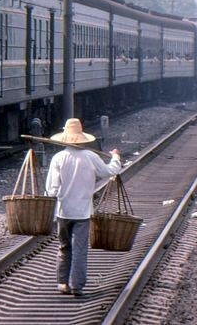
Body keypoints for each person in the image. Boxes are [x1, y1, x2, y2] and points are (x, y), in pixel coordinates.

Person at [45, 118, 121, 297]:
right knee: (80, 249)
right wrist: (116, 157)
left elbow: (51, 190)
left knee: (64, 247)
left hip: (63, 212)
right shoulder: (91, 157)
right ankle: (77, 285)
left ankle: (62, 283)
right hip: (83, 213)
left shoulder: (58, 158)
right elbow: (110, 172)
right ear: (81, 137)